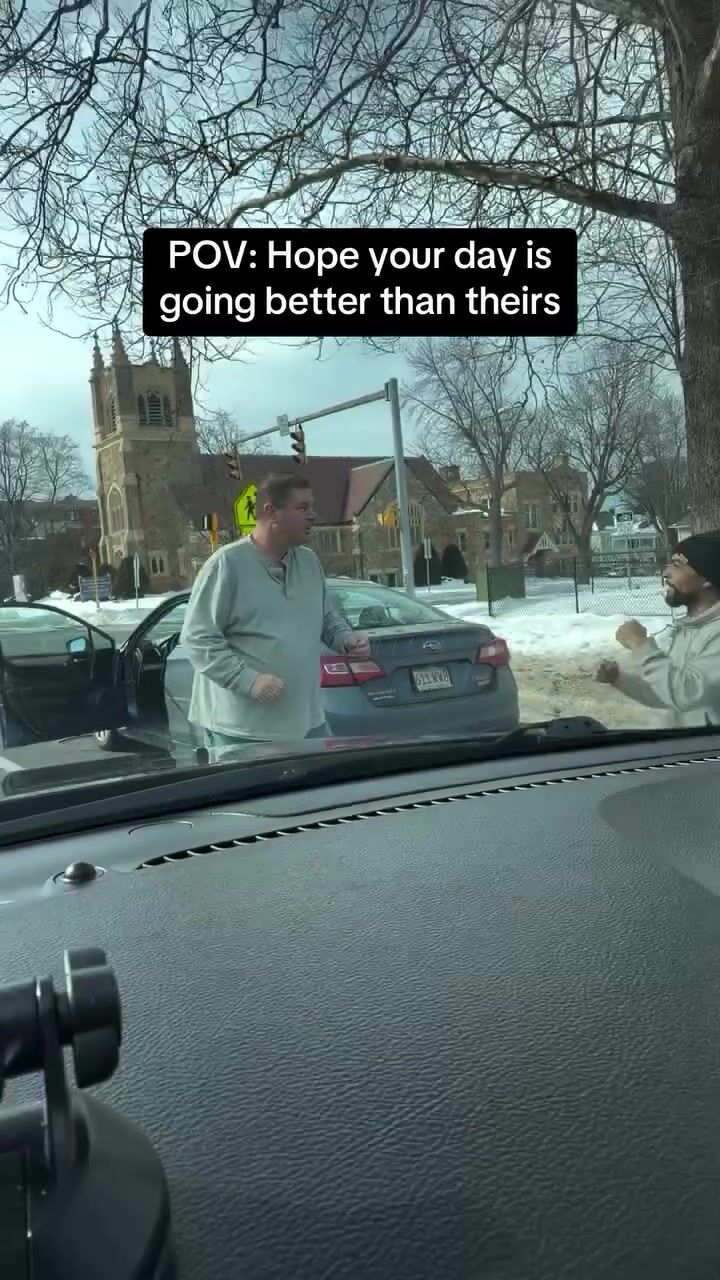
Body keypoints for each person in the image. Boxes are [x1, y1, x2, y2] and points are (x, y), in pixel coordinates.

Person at [180, 472, 370, 760]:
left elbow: (326, 617)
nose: (313, 516)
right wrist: (247, 680)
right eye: (302, 508)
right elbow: (197, 639)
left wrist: (346, 639)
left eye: (312, 507)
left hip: (308, 724)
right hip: (242, 731)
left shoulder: (308, 562)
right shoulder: (227, 565)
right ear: (271, 512)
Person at [595, 531, 720, 727]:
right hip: (684, 743)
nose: (665, 573)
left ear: (706, 579)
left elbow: (687, 694)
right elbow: (669, 693)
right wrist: (619, 679)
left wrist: (641, 645)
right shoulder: (690, 629)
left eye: (677, 565)